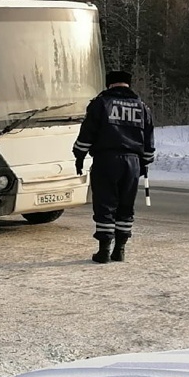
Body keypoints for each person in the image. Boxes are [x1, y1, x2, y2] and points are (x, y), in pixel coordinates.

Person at [73, 70, 155, 263]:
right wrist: (144, 162)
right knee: (125, 206)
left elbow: (88, 133)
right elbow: (149, 139)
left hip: (107, 160)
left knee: (105, 204)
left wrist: (79, 155)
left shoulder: (101, 103)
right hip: (133, 163)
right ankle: (120, 250)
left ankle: (103, 251)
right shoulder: (142, 107)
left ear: (109, 84)